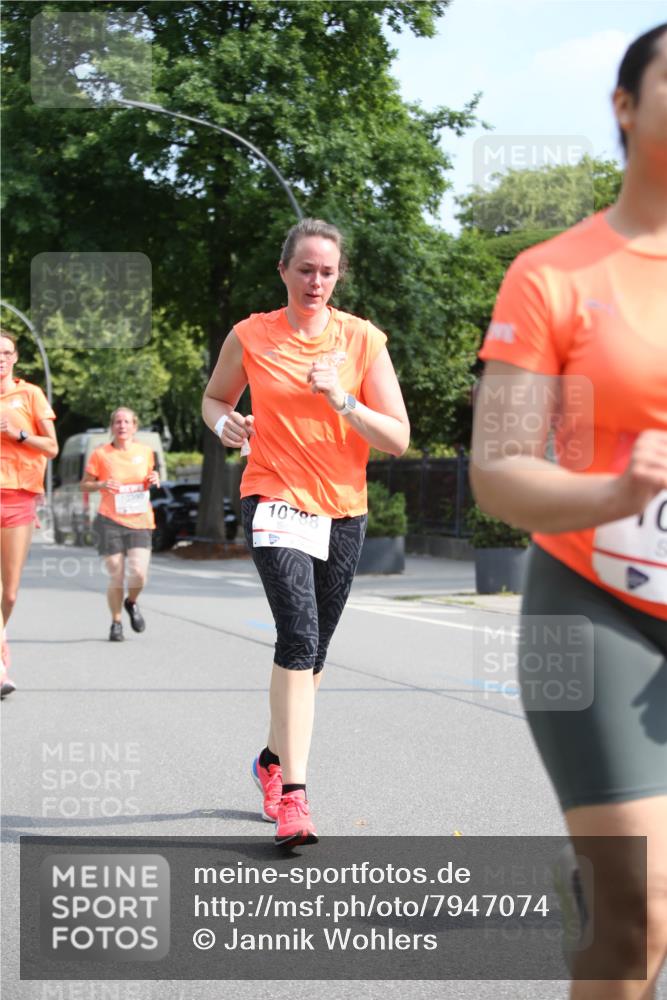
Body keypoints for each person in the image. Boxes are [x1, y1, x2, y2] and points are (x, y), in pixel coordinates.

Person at [471, 24, 667, 997]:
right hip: (596, 604)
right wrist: (614, 492)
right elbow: (497, 472)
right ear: (624, 107)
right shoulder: (553, 274)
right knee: (638, 909)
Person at [202, 218, 410, 847]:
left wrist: (342, 398)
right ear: (284, 271)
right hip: (273, 499)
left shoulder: (363, 339)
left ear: (338, 277)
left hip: (343, 510)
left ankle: (271, 759)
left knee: (313, 654)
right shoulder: (251, 335)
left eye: (327, 272)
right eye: (305, 269)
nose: (316, 281)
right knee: (297, 634)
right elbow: (215, 398)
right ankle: (294, 794)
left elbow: (398, 438)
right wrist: (225, 425)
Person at [0, 329, 58, 699]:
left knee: (9, 593)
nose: (0, 358)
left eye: (6, 352)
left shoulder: (31, 394)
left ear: (15, 357)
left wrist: (18, 433)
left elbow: (51, 447)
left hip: (18, 498)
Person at [81, 407, 160, 642]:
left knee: (139, 574)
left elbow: (150, 476)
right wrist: (102, 484)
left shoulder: (145, 452)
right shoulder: (100, 454)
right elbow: (85, 484)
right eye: (118, 422)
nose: (122, 425)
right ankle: (116, 623)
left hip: (140, 520)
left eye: (126, 422)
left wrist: (154, 478)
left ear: (134, 426)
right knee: (116, 575)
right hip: (110, 520)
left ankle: (131, 602)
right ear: (112, 426)